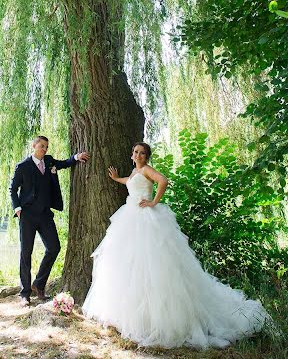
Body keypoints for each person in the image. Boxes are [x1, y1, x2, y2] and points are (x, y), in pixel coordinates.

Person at [82, 142, 269, 349]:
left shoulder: (146, 169)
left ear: (147, 156)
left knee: (152, 262)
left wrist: (153, 202)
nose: (138, 155)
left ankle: (159, 319)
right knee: (130, 263)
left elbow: (163, 180)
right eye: (136, 152)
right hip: (131, 216)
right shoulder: (136, 170)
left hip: (145, 218)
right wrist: (118, 179)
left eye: (142, 153)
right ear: (132, 154)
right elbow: (133, 181)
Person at [10, 135, 89, 306]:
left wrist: (77, 157)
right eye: (42, 146)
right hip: (28, 216)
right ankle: (25, 293)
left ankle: (38, 284)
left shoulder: (50, 162)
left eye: (46, 147)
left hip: (45, 214)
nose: (44, 149)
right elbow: (13, 189)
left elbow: (64, 163)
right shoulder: (22, 167)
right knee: (26, 253)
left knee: (54, 248)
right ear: (34, 145)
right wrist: (18, 210)